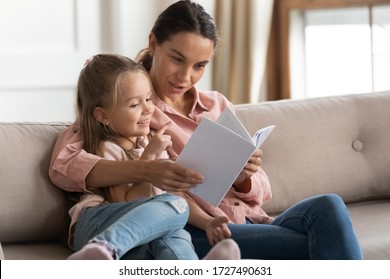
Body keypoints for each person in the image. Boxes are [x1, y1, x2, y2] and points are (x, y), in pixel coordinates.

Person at [50, 0, 363, 260]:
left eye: (199, 66)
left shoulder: (216, 105)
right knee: (317, 244)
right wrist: (146, 167)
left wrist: (244, 176)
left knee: (328, 206)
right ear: (153, 44)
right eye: (177, 59)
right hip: (194, 229)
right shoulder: (128, 111)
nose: (185, 77)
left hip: (249, 219)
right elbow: (65, 164)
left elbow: (263, 190)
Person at [63, 53, 240, 260]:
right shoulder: (106, 149)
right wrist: (150, 155)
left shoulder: (147, 141)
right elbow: (128, 203)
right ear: (103, 116)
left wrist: (207, 222)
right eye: (134, 105)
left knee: (174, 232)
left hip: (136, 238)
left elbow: (175, 197)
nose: (149, 109)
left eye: (148, 98)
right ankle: (105, 248)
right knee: (175, 208)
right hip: (98, 223)